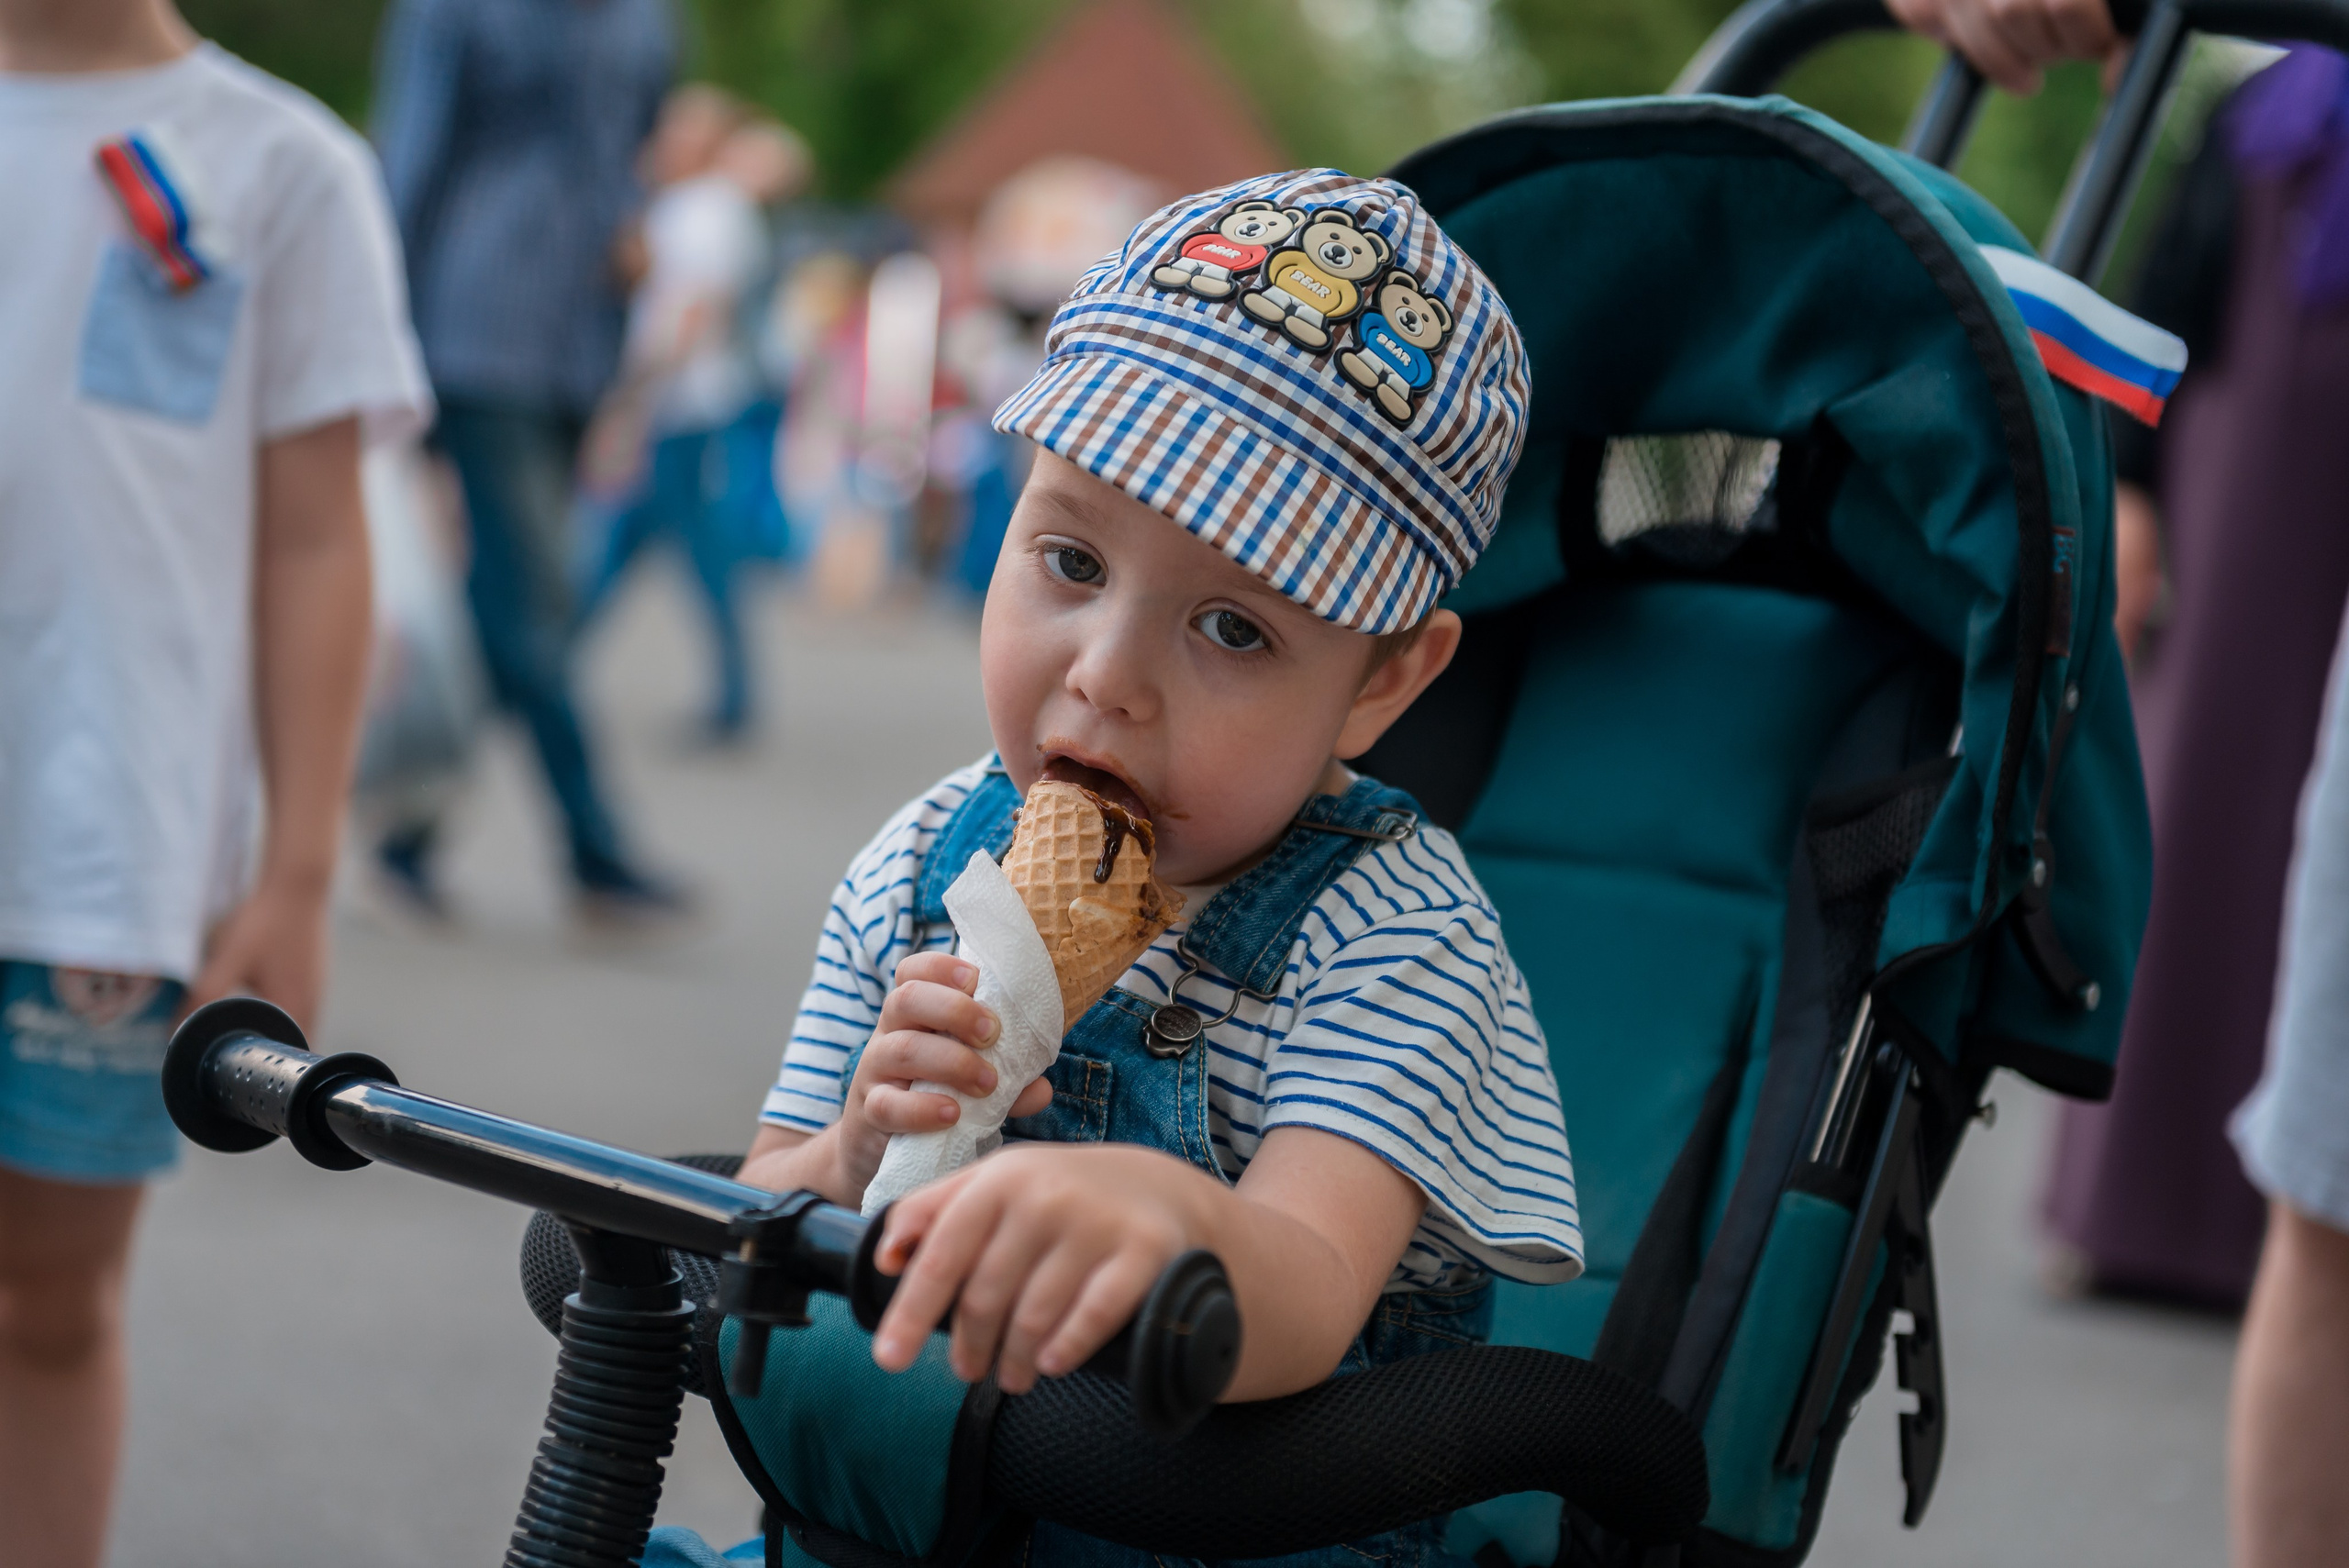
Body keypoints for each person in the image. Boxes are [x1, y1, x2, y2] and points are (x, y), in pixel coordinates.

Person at [733, 171, 1581, 1568]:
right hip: (911, 1519)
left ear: (1383, 681)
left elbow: (1308, 1285)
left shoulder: (1398, 938)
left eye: (1233, 630)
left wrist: (1169, 1215)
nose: (1107, 675)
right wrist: (856, 1152)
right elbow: (761, 1206)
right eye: (1069, 558)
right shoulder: (917, 867)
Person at [0, 0, 430, 1560]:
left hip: (99, 851)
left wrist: (298, 868)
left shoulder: (285, 169)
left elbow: (318, 537)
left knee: (47, 1299)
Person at [370, 0, 685, 921]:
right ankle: (594, 847)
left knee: (505, 610)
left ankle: (409, 830)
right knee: (537, 598)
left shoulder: (645, 21)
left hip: (579, 341)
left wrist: (633, 230)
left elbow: (634, 157)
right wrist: (387, 354)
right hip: (477, 328)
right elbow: (414, 164)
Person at [584, 92, 812, 742]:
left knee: (681, 552)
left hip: (685, 407)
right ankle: (543, 668)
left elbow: (695, 309)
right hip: (674, 408)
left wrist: (638, 386)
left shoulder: (712, 210)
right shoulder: (687, 206)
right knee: (628, 544)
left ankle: (733, 698)